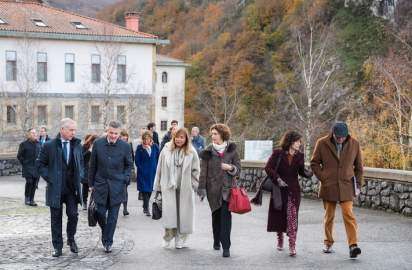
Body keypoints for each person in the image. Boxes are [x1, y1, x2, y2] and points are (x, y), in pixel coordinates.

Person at [311, 122, 364, 259]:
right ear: (333, 134)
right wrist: (324, 178)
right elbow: (314, 163)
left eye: (343, 137)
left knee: (349, 214)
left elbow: (359, 167)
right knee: (329, 216)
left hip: (347, 186)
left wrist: (357, 185)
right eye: (338, 137)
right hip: (329, 186)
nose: (340, 139)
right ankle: (328, 242)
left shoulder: (355, 144)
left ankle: (353, 245)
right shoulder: (322, 143)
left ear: (347, 135)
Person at [36, 118, 84, 257]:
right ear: (62, 129)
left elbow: (81, 163)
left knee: (73, 215)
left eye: (74, 130)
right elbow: (40, 164)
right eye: (71, 130)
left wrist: (80, 176)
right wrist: (50, 178)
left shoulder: (77, 145)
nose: (73, 133)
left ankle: (71, 239)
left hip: (71, 189)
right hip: (55, 189)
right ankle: (57, 246)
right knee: (56, 219)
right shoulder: (49, 145)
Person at [265, 131, 313, 256]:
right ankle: (280, 238)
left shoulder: (300, 156)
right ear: (291, 141)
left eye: (300, 141)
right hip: (279, 190)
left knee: (292, 218)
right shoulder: (278, 153)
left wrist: (310, 172)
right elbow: (268, 168)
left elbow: (302, 171)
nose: (299, 144)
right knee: (279, 216)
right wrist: (278, 179)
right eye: (298, 141)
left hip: (294, 191)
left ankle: (292, 245)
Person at [198, 123, 241, 258]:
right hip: (213, 190)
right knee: (216, 216)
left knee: (226, 217)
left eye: (215, 134)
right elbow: (203, 172)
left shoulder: (232, 149)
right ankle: (217, 240)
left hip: (228, 190)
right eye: (212, 134)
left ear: (222, 134)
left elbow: (238, 168)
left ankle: (226, 246)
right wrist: (202, 188)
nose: (213, 136)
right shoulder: (208, 151)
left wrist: (230, 168)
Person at [89, 121, 132, 253]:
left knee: (113, 217)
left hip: (117, 186)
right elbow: (93, 165)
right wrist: (91, 184)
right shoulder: (98, 143)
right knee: (100, 212)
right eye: (111, 133)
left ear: (120, 133)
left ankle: (108, 242)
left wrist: (125, 179)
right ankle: (106, 232)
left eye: (116, 133)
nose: (113, 135)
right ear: (107, 131)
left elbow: (129, 165)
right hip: (100, 185)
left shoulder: (125, 146)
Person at [154, 128, 200, 249]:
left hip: (185, 187)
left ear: (186, 139)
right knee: (170, 214)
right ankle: (168, 236)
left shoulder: (191, 151)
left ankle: (181, 238)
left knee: (183, 214)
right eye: (177, 137)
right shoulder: (166, 149)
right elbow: (159, 168)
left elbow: (196, 171)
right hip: (169, 186)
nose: (179, 139)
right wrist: (158, 186)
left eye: (182, 137)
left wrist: (196, 185)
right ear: (173, 137)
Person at [135, 131, 160, 216]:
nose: (146, 141)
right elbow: (137, 160)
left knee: (150, 190)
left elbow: (158, 158)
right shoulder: (140, 148)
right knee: (145, 190)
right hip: (142, 173)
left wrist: (157, 168)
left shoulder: (155, 147)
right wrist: (141, 168)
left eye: (148, 139)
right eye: (144, 139)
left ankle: (145, 205)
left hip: (152, 172)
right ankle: (146, 208)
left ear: (151, 139)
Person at [17, 128, 41, 206]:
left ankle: (32, 199)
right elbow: (19, 156)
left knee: (34, 184)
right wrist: (24, 163)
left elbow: (41, 155)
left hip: (36, 167)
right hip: (27, 167)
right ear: (28, 135)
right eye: (32, 133)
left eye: (35, 133)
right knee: (29, 182)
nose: (34, 134)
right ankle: (27, 198)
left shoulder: (39, 144)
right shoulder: (23, 144)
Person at [120, 129, 134, 216]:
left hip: (125, 171)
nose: (124, 139)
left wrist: (131, 169)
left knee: (124, 190)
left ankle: (125, 208)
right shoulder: (116, 145)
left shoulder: (129, 145)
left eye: (126, 137)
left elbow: (131, 157)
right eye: (123, 137)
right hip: (117, 170)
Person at [81, 134, 98, 210]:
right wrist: (89, 151)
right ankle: (84, 202)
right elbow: (81, 157)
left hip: (95, 170)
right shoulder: (85, 146)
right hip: (86, 169)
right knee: (85, 187)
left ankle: (93, 202)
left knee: (94, 188)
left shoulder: (98, 148)